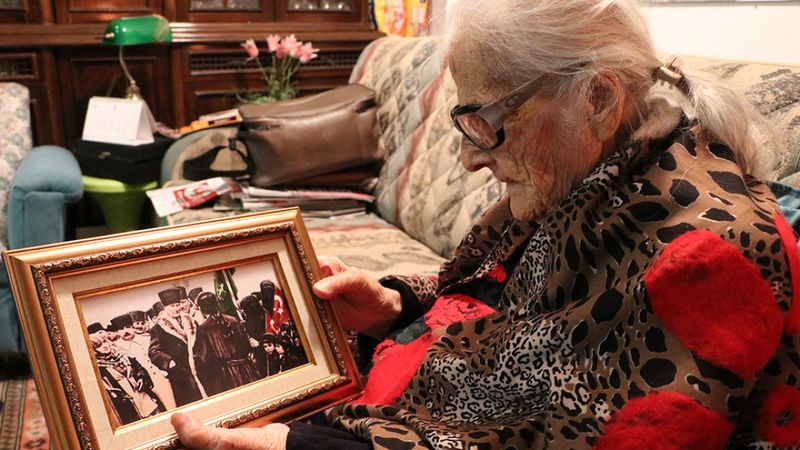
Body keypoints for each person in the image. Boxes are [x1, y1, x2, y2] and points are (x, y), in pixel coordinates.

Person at [171, 0, 800, 448]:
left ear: (599, 97)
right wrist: (392, 304)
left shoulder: (704, 258)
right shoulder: (600, 166)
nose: (471, 157)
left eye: (487, 120)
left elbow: (590, 427)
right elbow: (509, 299)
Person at [193, 292, 259, 396]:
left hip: (226, 377)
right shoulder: (233, 320)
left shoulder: (203, 329)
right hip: (247, 370)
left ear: (201, 309)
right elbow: (247, 345)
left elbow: (203, 359)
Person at [149, 287, 207, 407]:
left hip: (201, 369)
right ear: (165, 308)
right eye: (172, 306)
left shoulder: (190, 321)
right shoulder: (158, 328)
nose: (176, 308)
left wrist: (202, 357)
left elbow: (203, 341)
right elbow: (154, 352)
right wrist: (170, 363)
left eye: (177, 305)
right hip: (181, 376)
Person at [90, 331, 163, 425]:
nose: (104, 346)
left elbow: (139, 368)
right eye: (98, 346)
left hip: (144, 395)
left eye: (104, 341)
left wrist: (141, 377)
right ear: (93, 351)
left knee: (158, 416)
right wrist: (120, 397)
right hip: (129, 405)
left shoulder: (123, 355)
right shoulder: (99, 369)